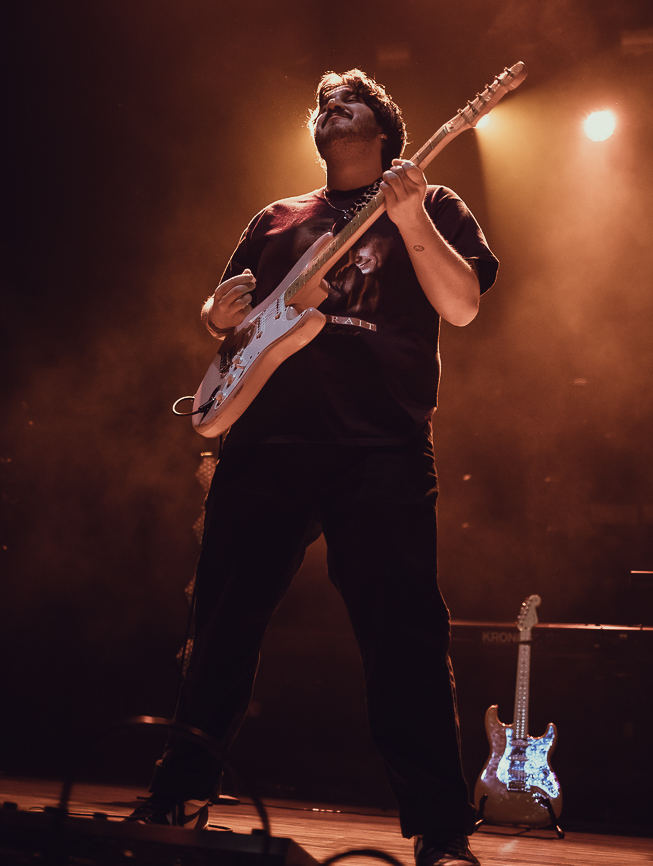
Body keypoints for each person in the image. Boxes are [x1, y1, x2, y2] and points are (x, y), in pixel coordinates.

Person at [131, 70, 499, 866]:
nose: (333, 106)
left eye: (350, 100)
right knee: (220, 626)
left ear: (384, 130)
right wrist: (214, 315)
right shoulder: (276, 217)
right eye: (325, 102)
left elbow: (462, 305)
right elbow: (229, 321)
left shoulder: (434, 204)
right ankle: (178, 792)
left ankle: (439, 826)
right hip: (266, 444)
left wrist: (409, 217)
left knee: (403, 636)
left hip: (382, 448)